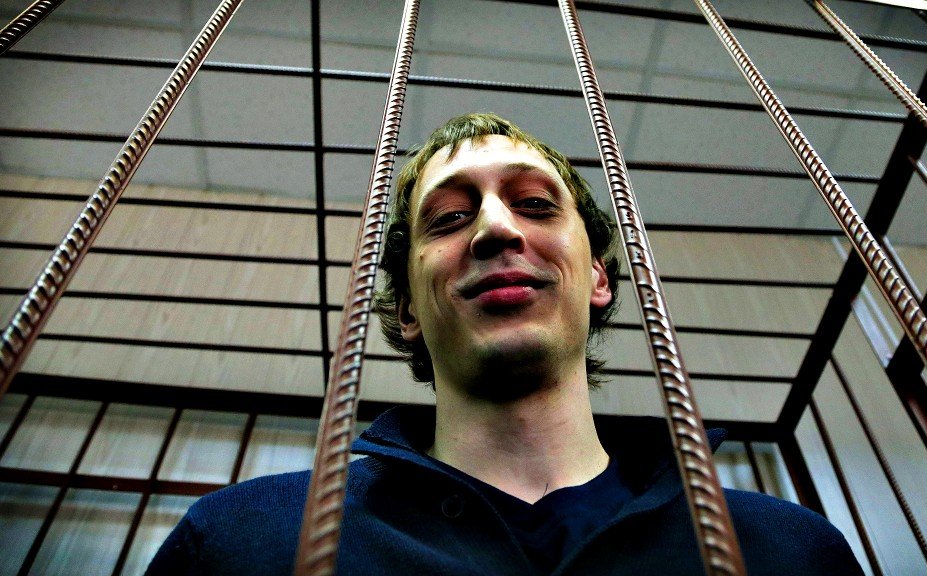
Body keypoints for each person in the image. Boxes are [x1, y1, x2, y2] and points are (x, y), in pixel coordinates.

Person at [145, 113, 864, 575]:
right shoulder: (243, 542)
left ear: (598, 278)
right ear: (408, 311)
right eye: (449, 218)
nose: (496, 229)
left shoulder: (786, 550)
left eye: (536, 205)